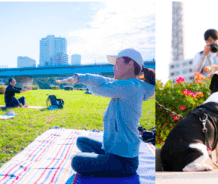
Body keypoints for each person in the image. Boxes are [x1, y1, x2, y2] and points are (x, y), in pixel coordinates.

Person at [56, 48, 156, 177]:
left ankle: (104, 163)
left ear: (130, 64)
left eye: (117, 62)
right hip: (113, 150)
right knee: (82, 141)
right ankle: (103, 161)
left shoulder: (131, 86)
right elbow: (105, 80)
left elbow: (101, 88)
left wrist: (83, 81)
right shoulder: (128, 84)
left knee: (77, 161)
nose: (113, 67)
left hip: (124, 161)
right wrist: (79, 78)